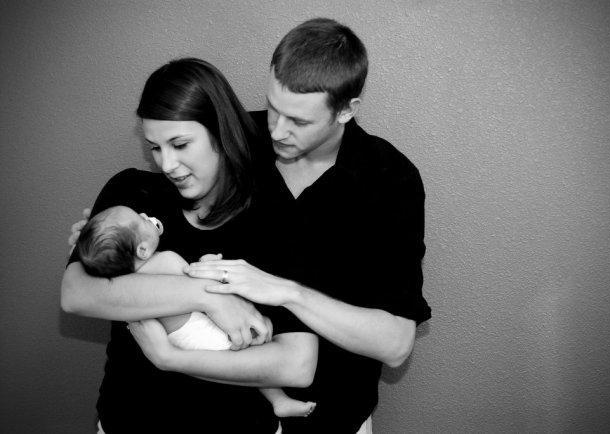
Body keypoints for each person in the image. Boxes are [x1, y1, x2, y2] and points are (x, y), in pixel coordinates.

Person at [171, 18, 431, 433]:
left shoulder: (389, 180)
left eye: (299, 121)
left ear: (346, 110)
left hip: (334, 419)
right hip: (221, 413)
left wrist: (287, 292)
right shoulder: (236, 141)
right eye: (273, 107)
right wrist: (114, 230)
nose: (277, 130)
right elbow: (163, 216)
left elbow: (396, 344)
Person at [61, 58, 318, 433]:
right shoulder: (130, 196)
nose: (167, 163)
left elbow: (297, 365)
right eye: (155, 147)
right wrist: (208, 297)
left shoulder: (273, 218)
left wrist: (169, 358)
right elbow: (76, 294)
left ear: (220, 131)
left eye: (180, 144)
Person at [76, 204, 316, 418]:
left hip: (178, 339)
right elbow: (196, 280)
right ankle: (279, 400)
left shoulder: (125, 282)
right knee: (257, 340)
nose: (145, 215)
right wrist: (208, 263)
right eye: (141, 219)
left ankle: (278, 401)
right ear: (142, 250)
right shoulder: (166, 260)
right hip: (199, 332)